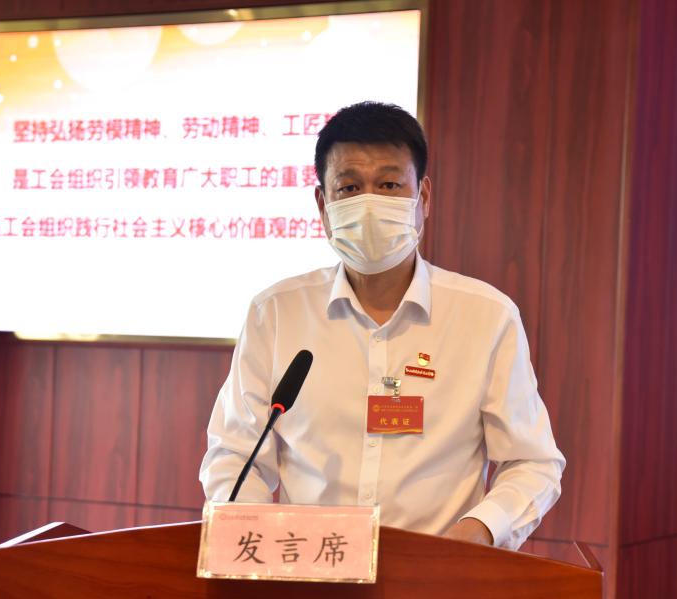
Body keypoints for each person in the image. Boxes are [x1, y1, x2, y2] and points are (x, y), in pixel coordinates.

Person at [199, 101, 564, 549]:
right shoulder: (275, 314)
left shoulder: (486, 317)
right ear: (323, 204)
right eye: (349, 187)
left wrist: (479, 533)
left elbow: (532, 462)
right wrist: (259, 539)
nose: (369, 203)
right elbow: (236, 455)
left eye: (389, 184)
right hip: (309, 571)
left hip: (436, 574)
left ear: (422, 198)